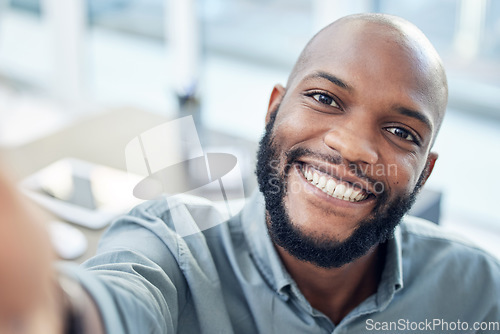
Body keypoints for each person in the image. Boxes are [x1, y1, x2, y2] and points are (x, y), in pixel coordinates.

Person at [1, 13, 499, 334]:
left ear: (425, 173)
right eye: (324, 99)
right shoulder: (171, 248)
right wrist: (46, 309)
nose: (351, 146)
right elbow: (118, 298)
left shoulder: (476, 292)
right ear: (273, 111)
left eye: (401, 132)